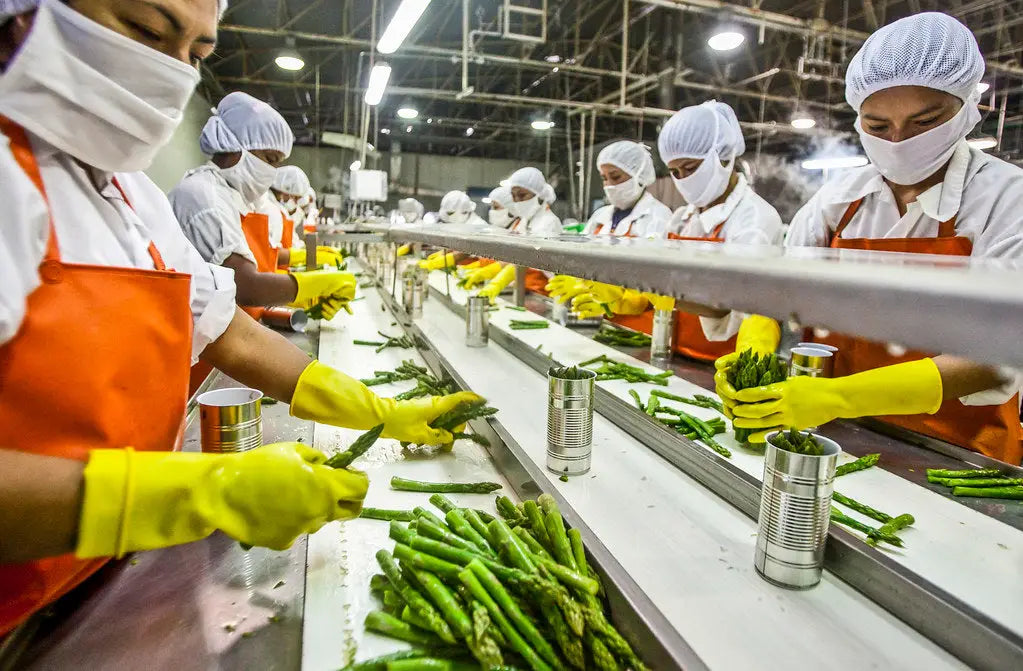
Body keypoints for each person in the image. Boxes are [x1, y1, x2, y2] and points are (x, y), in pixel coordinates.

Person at [0, 0, 477, 636]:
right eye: (146, 30)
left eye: (197, 55)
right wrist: (201, 491)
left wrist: (378, 411)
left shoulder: (129, 191)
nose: (171, 74)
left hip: (100, 571)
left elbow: (225, 327)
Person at [723, 12, 1023, 464]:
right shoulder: (837, 201)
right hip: (836, 441)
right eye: (878, 126)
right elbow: (780, 297)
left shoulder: (1006, 199)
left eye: (925, 122)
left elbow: (994, 356)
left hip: (960, 452)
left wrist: (840, 397)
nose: (899, 141)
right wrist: (753, 351)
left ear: (967, 109)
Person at [170, 92, 350, 318]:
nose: (272, 172)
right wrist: (308, 286)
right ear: (233, 143)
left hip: (234, 323)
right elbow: (244, 285)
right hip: (201, 341)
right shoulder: (204, 195)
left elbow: (257, 264)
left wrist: (299, 296)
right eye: (270, 159)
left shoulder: (234, 196)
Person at [463, 168, 562, 299]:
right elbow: (517, 256)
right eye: (513, 196)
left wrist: (498, 281)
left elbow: (531, 258)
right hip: (524, 290)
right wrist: (488, 271)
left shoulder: (548, 222)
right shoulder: (525, 221)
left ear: (539, 195)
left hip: (544, 293)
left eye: (522, 195)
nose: (517, 201)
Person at [583, 140, 671, 238]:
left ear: (639, 176)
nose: (609, 184)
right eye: (604, 178)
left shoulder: (658, 215)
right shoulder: (599, 215)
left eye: (615, 177)